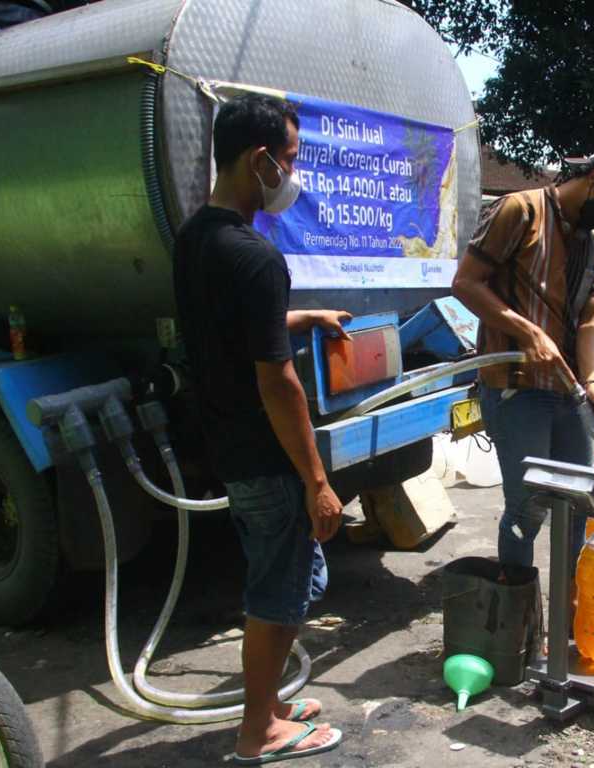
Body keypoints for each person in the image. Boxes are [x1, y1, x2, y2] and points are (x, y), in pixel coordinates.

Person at [173, 94, 346, 763]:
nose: (293, 178)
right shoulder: (257, 258)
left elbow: (225, 332)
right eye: (291, 162)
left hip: (227, 446)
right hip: (268, 458)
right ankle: (259, 734)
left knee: (281, 578)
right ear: (261, 160)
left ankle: (268, 704)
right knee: (278, 593)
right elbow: (278, 381)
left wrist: (303, 318)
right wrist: (317, 481)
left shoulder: (196, 240)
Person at [451, 143, 594, 567]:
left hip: (570, 390)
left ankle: (570, 613)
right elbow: (466, 283)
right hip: (516, 388)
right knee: (528, 510)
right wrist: (528, 333)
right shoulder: (519, 211)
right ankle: (517, 621)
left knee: (580, 505)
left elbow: (592, 315)